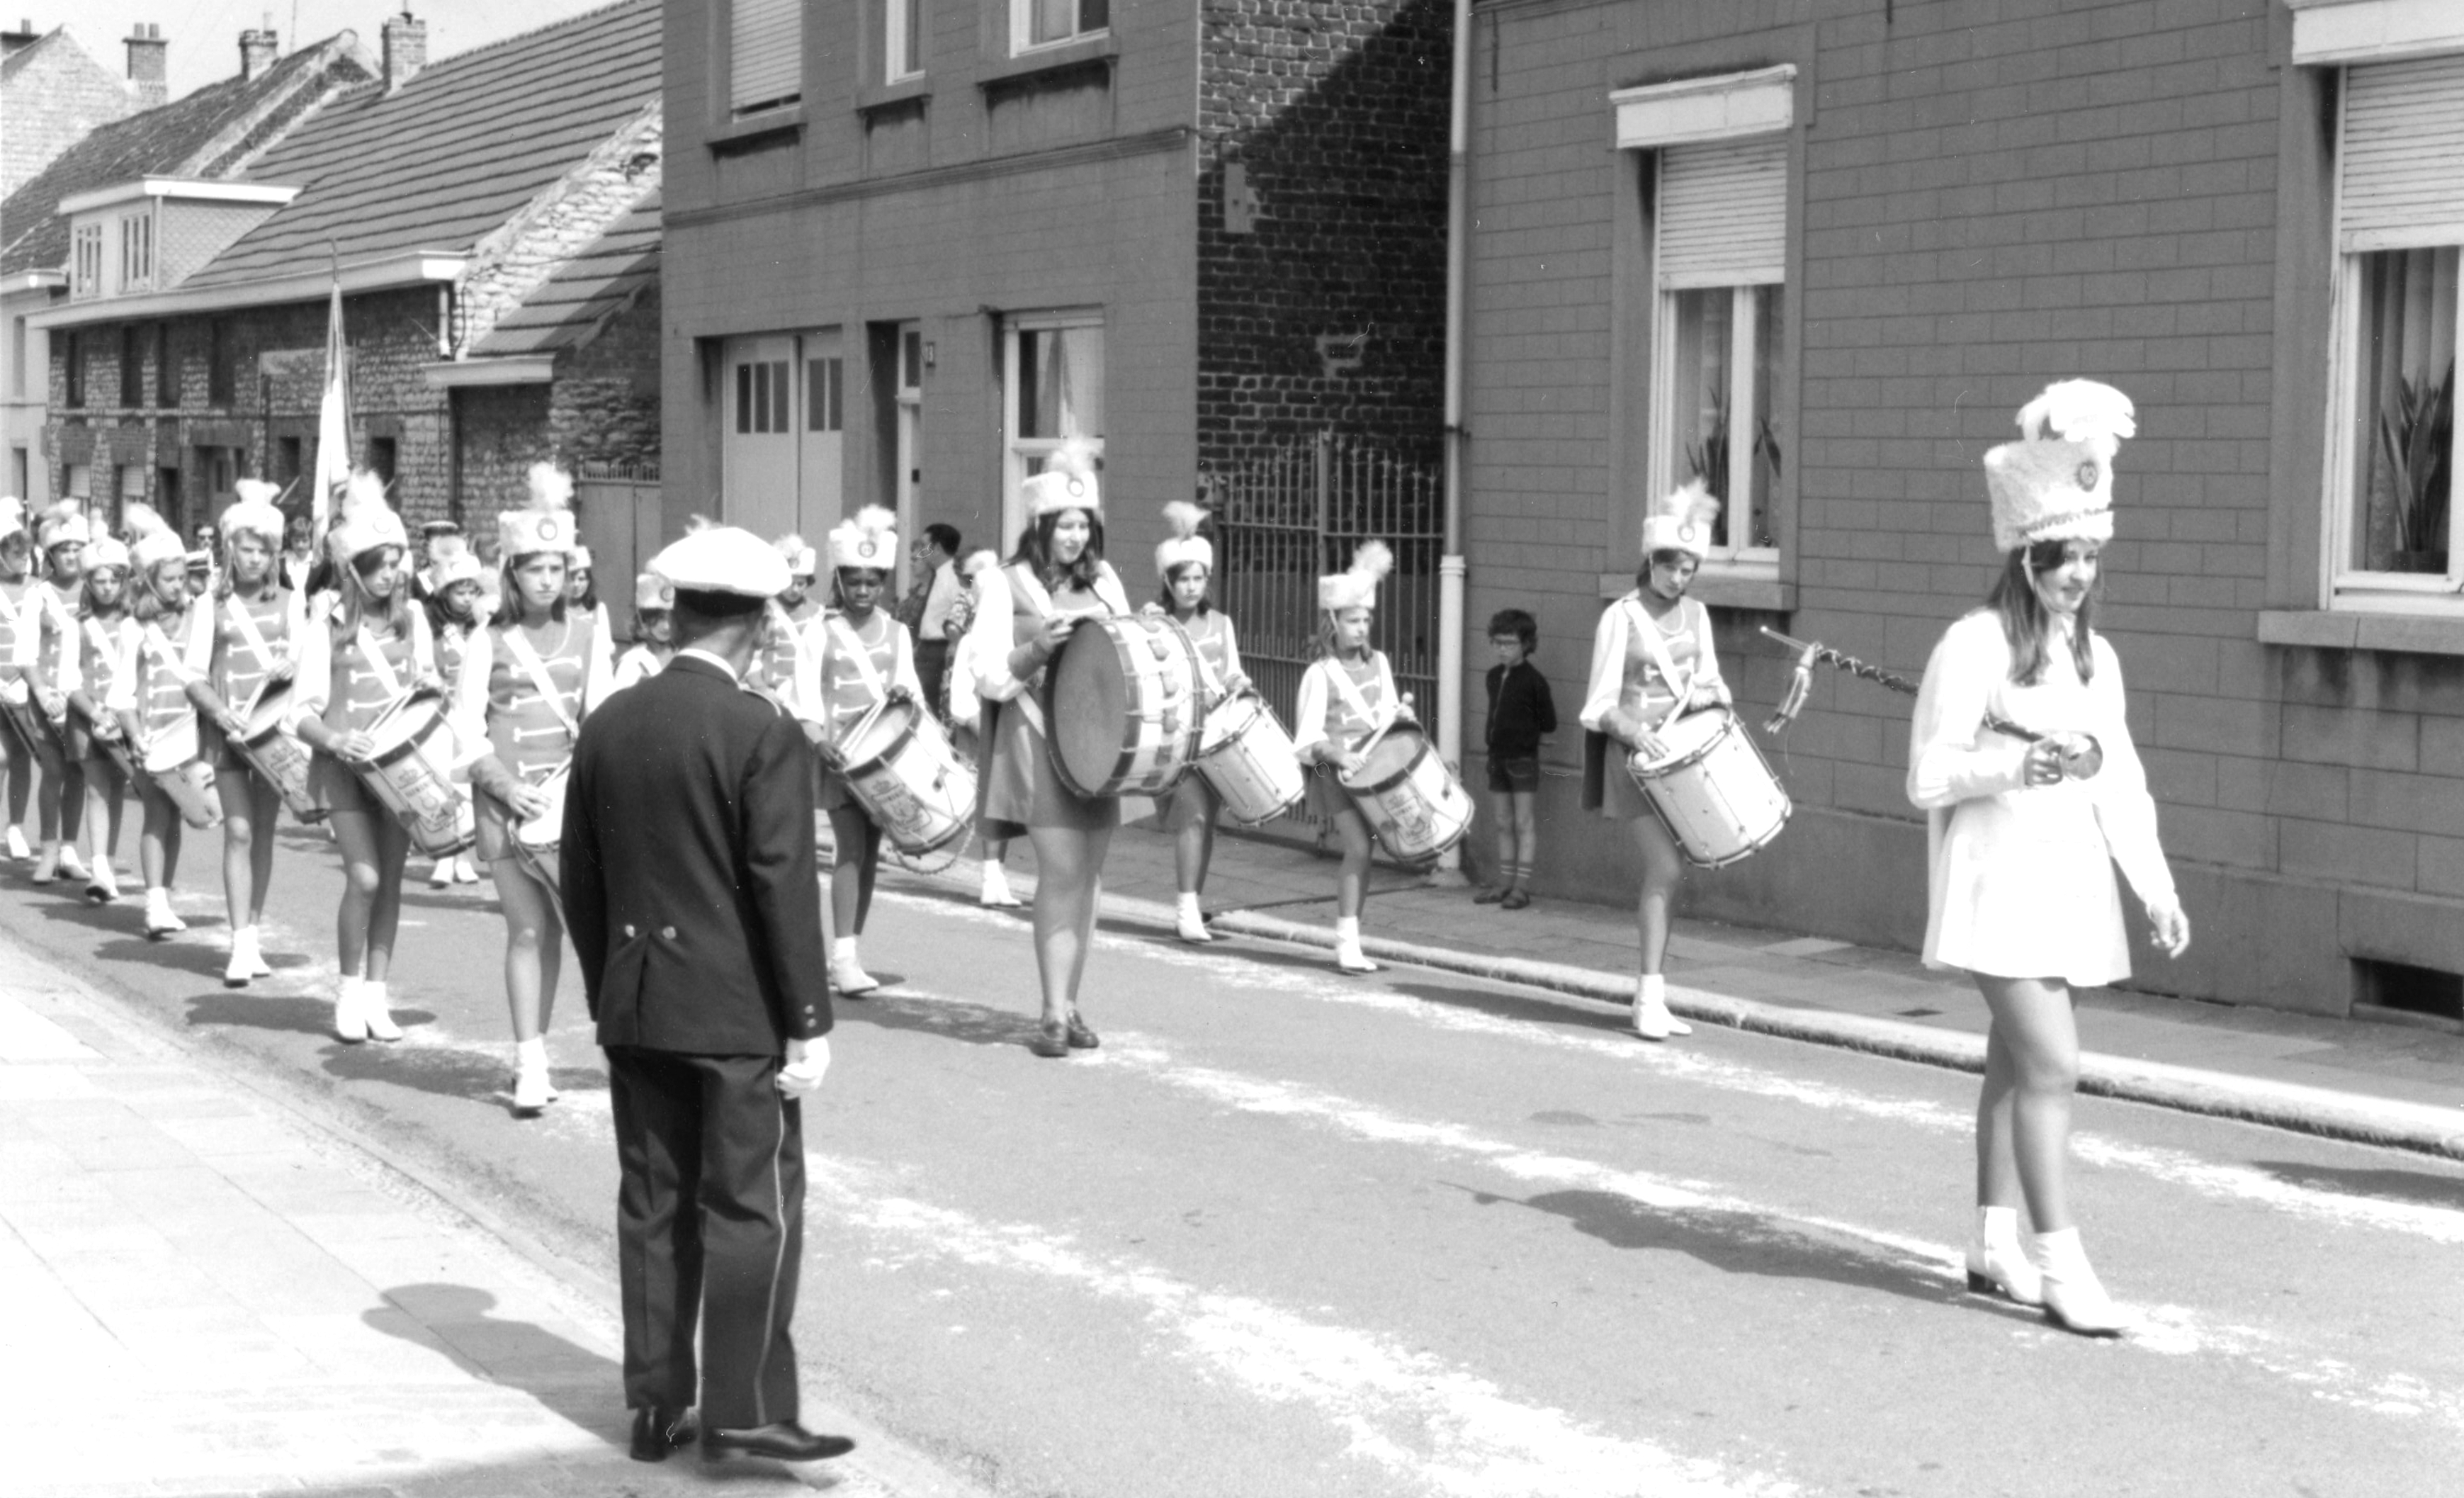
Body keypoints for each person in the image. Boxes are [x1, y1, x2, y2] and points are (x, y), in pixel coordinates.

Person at [560, 523, 851, 1468]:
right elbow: (781, 885)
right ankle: (742, 1409)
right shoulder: (761, 728)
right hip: (734, 1015)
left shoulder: (610, 721)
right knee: (749, 1209)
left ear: (677, 613)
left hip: (638, 1000)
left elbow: (580, 876)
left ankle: (655, 1406)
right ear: (759, 625)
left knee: (653, 1205)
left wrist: (612, 985)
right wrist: (808, 1021)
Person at [1909, 379, 2190, 1339]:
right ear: (2023, 556)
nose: (2077, 573)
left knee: (2011, 1062)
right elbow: (1926, 775)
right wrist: (2011, 765)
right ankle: (2062, 1263)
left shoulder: (2095, 658)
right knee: (2053, 1067)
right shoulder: (1974, 642)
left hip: (2068, 883)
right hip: (1996, 882)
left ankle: (1992, 1242)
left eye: (2088, 555)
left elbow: (2121, 780)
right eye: (2059, 556)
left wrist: (2154, 886)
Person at [454, 463, 611, 1115]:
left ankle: (555, 1048)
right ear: (512, 573)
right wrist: (504, 785)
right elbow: (466, 729)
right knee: (527, 931)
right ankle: (528, 1060)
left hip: (570, 807)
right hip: (504, 807)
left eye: (557, 567)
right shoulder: (487, 640)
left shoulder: (591, 633)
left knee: (566, 933)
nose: (547, 579)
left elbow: (601, 721)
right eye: (534, 568)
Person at [964, 439, 1130, 1056]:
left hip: (1098, 743)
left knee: (1089, 878)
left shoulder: (1105, 579)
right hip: (1034, 741)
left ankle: (1071, 1003)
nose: (1076, 537)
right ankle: (1052, 1014)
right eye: (1065, 526)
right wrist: (1038, 648)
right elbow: (986, 675)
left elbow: (1125, 652)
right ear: (1041, 526)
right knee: (1062, 873)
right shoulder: (1002, 583)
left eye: (1084, 525)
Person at [287, 472, 443, 1044]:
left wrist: (435, 692)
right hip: (345, 771)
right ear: (352, 567)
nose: (388, 574)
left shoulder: (415, 619)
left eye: (395, 563)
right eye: (376, 564)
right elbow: (299, 713)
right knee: (365, 877)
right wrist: (334, 741)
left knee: (393, 880)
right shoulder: (326, 622)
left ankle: (378, 995)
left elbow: (428, 688)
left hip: (398, 771)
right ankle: (348, 992)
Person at [1580, 480, 1728, 1041]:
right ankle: (1646, 999)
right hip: (1635, 762)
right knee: (1665, 869)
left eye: (1688, 569)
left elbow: (1708, 681)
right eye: (1670, 566)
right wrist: (1637, 734)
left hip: (1683, 763)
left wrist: (1715, 697)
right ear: (1651, 561)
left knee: (1675, 873)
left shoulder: (1698, 615)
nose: (1679, 578)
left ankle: (1655, 998)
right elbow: (1598, 706)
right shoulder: (1621, 617)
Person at [182, 483, 304, 985]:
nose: (255, 559)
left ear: (275, 555)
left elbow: (307, 667)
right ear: (230, 548)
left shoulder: (292, 602)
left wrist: (293, 664)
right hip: (229, 735)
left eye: (264, 551)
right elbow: (192, 675)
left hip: (273, 737)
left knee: (264, 834)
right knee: (239, 830)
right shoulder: (209, 604)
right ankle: (238, 943)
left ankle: (253, 935)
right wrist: (219, 712)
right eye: (247, 549)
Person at [808, 507, 923, 997]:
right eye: (854, 581)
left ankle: (849, 950)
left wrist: (904, 695)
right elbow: (802, 699)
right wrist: (819, 742)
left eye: (872, 582)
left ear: (882, 583)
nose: (862, 591)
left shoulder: (898, 632)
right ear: (840, 580)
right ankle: (843, 958)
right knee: (850, 850)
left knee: (871, 853)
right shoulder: (821, 630)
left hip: (885, 762)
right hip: (841, 761)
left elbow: (912, 694)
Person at [1293, 541, 1401, 975]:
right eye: (1353, 621)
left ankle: (1353, 937)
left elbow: (1388, 716)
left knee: (1366, 851)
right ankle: (1345, 943)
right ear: (1333, 622)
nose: (1361, 628)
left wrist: (1402, 719)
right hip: (1334, 771)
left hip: (1372, 772)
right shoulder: (1319, 673)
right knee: (1357, 847)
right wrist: (1339, 755)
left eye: (1366, 620)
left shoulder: (1381, 664)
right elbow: (1308, 740)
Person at [1146, 502, 1250, 944]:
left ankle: (1192, 904)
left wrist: (1240, 683)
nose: (1191, 587)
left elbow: (1232, 671)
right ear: (1168, 582)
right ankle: (1186, 908)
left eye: (1198, 578)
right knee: (1195, 817)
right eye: (1182, 579)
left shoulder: (1222, 623)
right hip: (1179, 735)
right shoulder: (1158, 623)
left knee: (1208, 821)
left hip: (1217, 736)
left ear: (1207, 579)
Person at [111, 506, 210, 940]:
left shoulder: (197, 616)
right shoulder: (134, 628)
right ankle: (153, 904)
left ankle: (164, 899)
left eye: (181, 577)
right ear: (149, 580)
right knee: (157, 815)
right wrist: (135, 736)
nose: (177, 585)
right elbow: (121, 693)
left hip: (192, 736)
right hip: (153, 737)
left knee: (178, 818)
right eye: (169, 579)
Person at [944, 549, 1024, 910]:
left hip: (1006, 730)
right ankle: (991, 877)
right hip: (982, 733)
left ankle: (998, 876)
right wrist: (989, 735)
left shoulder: (1010, 640)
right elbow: (961, 702)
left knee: (1005, 806)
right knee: (992, 806)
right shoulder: (969, 642)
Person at [18, 503, 91, 885]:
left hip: (84, 697)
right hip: (48, 698)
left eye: (78, 549)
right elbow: (26, 653)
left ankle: (69, 851)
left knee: (78, 771)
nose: (71, 556)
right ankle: (47, 849)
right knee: (54, 771)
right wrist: (42, 693)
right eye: (64, 550)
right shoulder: (39, 595)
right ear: (50, 555)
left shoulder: (96, 591)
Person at [66, 532, 133, 903]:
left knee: (117, 789)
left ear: (123, 582)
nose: (107, 587)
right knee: (96, 789)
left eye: (114, 580)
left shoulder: (135, 621)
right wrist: (94, 712)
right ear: (88, 583)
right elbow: (68, 680)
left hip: (124, 717)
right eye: (100, 581)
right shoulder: (76, 624)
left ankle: (106, 863)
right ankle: (99, 869)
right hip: (87, 717)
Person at [1478, 608, 1557, 909]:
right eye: (1497, 642)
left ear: (1525, 644)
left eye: (1509, 643)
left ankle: (1521, 889)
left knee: (1523, 822)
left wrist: (1527, 736)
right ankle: (1504, 883)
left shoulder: (1534, 681)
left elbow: (1549, 722)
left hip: (1522, 759)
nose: (1502, 649)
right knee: (1502, 822)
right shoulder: (1493, 676)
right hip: (1496, 757)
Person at [422, 535, 487, 889]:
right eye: (459, 592)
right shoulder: (432, 626)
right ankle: (444, 857)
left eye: (472, 591)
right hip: (439, 716)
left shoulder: (484, 627)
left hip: (472, 717)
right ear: (445, 593)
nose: (466, 598)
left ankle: (463, 857)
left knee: (466, 786)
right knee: (441, 785)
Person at [0, 495, 36, 862]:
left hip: (24, 687)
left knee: (22, 757)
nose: (24, 559)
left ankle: (16, 827)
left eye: (25, 553)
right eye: (15, 554)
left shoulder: (35, 588)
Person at [904, 522, 963, 719]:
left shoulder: (953, 578)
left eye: (924, 546)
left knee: (928, 708)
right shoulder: (939, 575)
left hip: (939, 651)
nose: (921, 551)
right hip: (926, 650)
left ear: (936, 548)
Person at [611, 570, 675, 690]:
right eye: (660, 618)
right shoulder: (631, 664)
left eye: (670, 618)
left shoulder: (682, 655)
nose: (666, 626)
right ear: (643, 620)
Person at [281, 509, 319, 594]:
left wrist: (346, 579)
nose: (300, 545)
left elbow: (341, 581)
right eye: (296, 541)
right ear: (290, 540)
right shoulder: (282, 563)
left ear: (311, 540)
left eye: (305, 541)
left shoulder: (321, 563)